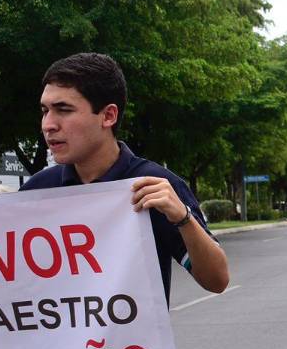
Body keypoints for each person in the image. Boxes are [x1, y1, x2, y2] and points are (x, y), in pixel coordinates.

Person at [21, 53, 229, 303]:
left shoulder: (155, 186)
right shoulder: (36, 192)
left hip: (133, 342)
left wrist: (183, 218)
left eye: (63, 110)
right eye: (45, 111)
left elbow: (217, 280)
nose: (48, 125)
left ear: (108, 116)